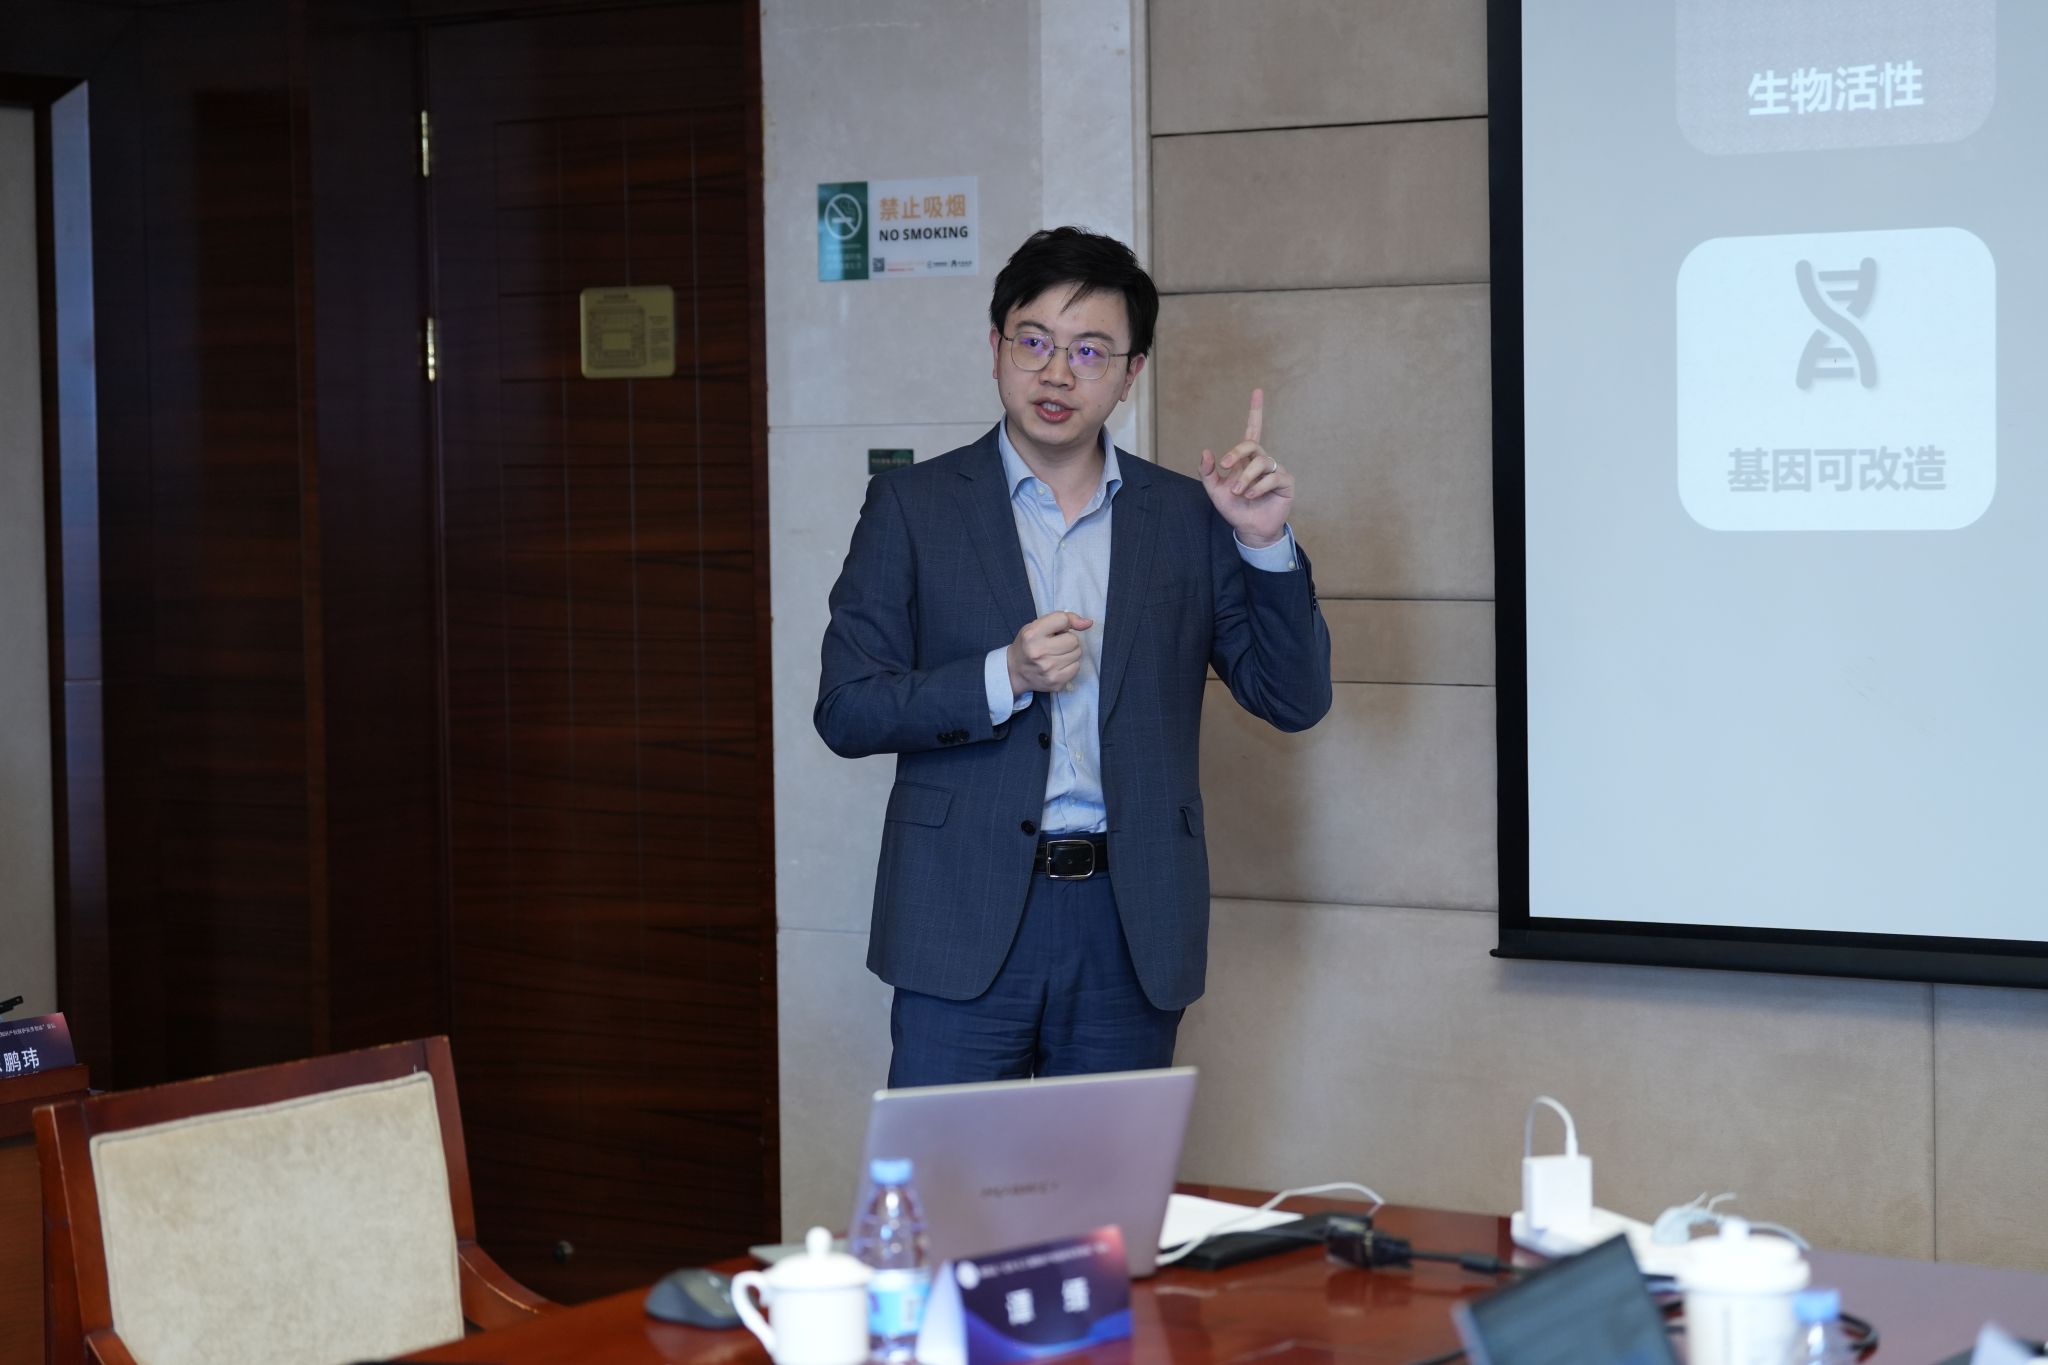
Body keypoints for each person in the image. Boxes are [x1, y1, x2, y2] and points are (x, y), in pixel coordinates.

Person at [815, 226, 1332, 1086]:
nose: (1057, 373)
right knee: (950, 1174)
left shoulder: (1188, 517)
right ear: (995, 348)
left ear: (1131, 374)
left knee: (1103, 1176)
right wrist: (1003, 676)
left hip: (1128, 925)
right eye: (1034, 342)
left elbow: (1294, 697)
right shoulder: (912, 506)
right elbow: (847, 707)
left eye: (1090, 351)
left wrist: (1263, 542)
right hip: (960, 913)